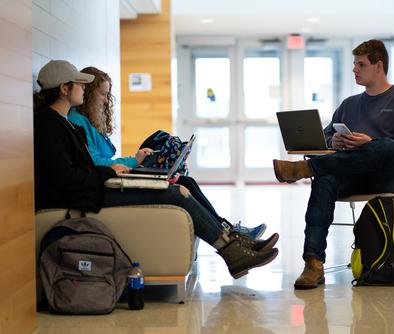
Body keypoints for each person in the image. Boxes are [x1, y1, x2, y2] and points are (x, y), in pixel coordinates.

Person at [33, 59, 278, 279]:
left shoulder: (62, 123)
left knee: (176, 186)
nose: (84, 88)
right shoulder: (49, 126)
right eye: (79, 84)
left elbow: (80, 170)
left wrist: (111, 173)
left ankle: (233, 247)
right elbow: (67, 178)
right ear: (64, 88)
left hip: (94, 190)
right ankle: (233, 252)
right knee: (173, 192)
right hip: (87, 197)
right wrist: (110, 172)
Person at [273, 40, 394, 289]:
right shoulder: (349, 104)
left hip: (393, 176)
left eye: (361, 64)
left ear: (378, 66)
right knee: (325, 179)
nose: (355, 69)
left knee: (385, 146)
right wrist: (337, 141)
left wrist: (371, 142)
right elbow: (324, 138)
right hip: (354, 175)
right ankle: (313, 263)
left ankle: (305, 169)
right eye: (354, 64)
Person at [67, 66, 266, 239]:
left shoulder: (89, 120)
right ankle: (229, 233)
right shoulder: (77, 121)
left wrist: (139, 159)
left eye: (107, 94)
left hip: (111, 174)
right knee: (180, 183)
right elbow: (95, 162)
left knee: (186, 180)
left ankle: (228, 229)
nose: (105, 100)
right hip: (106, 181)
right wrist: (134, 161)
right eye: (102, 94)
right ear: (89, 93)